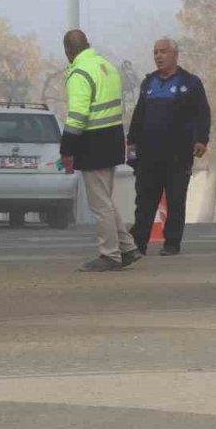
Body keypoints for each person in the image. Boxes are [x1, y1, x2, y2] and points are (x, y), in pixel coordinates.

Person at [60, 30, 142, 272]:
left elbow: (77, 116)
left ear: (68, 51)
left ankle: (110, 255)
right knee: (106, 199)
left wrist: (67, 149)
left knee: (100, 205)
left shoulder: (79, 73)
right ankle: (127, 248)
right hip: (113, 138)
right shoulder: (106, 66)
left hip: (92, 142)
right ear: (88, 44)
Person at [127, 38, 211, 256]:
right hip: (149, 154)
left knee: (175, 200)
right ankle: (139, 244)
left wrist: (202, 139)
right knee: (144, 201)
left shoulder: (190, 83)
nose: (158, 56)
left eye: (163, 52)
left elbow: (203, 113)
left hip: (178, 153)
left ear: (175, 54)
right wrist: (131, 144)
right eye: (155, 52)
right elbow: (138, 116)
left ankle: (172, 243)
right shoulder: (148, 84)